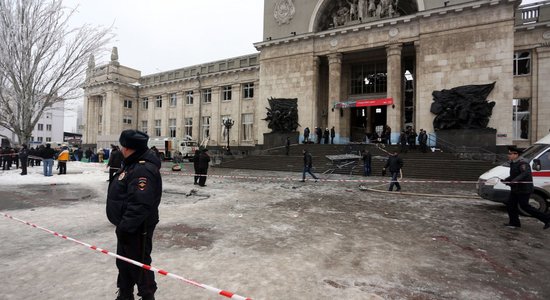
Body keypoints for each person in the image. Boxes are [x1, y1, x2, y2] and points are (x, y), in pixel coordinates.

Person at [106, 129, 162, 300]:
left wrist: (126, 226)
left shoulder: (142, 169)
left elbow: (140, 203)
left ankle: (147, 296)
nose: (122, 150)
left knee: (139, 265)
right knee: (124, 263)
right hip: (128, 226)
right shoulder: (132, 164)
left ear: (130, 148)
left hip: (137, 227)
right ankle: (125, 293)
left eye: (124, 146)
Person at [502, 146, 550, 229]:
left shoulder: (523, 163)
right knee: (511, 205)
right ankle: (514, 223)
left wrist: (514, 181)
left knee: (525, 207)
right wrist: (506, 180)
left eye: (510, 154)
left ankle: (547, 219)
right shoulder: (513, 163)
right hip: (516, 189)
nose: (508, 155)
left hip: (524, 189)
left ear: (516, 154)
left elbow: (524, 174)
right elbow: (514, 175)